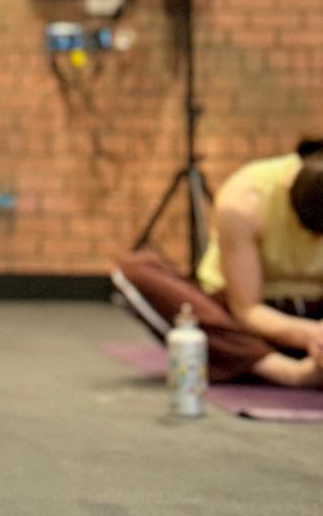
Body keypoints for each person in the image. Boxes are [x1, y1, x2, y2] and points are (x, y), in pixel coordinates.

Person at [113, 148, 323, 386]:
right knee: (136, 270)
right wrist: (312, 335)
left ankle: (254, 361)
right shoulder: (246, 198)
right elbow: (248, 310)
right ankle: (284, 370)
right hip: (245, 318)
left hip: (315, 313)